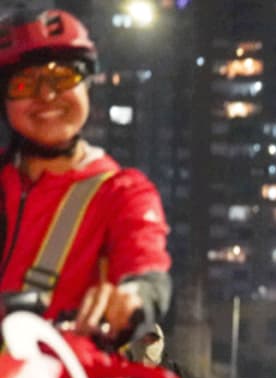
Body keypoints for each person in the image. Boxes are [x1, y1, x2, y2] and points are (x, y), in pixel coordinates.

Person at [0, 9, 170, 338]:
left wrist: (132, 297)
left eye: (63, 79)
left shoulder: (122, 192)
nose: (46, 96)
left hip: (68, 375)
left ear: (87, 86)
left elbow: (145, 261)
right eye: (24, 84)